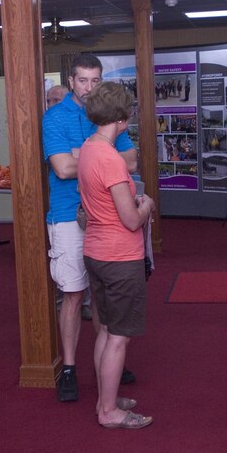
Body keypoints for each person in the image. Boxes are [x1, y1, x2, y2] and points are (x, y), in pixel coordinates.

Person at [43, 54, 137, 402]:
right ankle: (69, 367)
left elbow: (131, 160)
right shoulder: (54, 117)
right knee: (72, 294)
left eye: (95, 80)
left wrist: (80, 153)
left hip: (104, 217)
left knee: (103, 293)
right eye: (82, 80)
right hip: (68, 215)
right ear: (71, 82)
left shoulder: (108, 112)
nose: (89, 87)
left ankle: (105, 364)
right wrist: (101, 151)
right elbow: (62, 169)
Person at [77, 82, 155, 429]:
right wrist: (147, 206)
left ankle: (103, 400)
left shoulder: (89, 148)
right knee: (118, 337)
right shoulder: (110, 158)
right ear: (121, 120)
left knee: (106, 331)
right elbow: (130, 219)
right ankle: (109, 412)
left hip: (95, 251)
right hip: (119, 256)